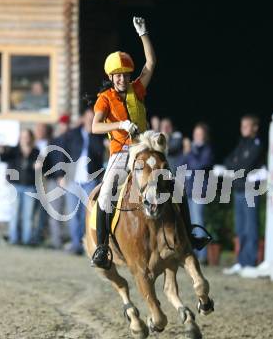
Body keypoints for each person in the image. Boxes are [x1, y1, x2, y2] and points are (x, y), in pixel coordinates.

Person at [90, 17, 211, 270]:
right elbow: (95, 126)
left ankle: (189, 235)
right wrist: (119, 125)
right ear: (111, 77)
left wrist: (143, 34)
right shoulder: (105, 99)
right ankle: (102, 248)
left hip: (145, 149)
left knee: (174, 186)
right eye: (118, 76)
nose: (122, 79)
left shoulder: (137, 89)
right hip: (122, 152)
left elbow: (151, 63)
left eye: (125, 75)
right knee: (106, 196)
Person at [223, 114, 264, 275]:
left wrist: (235, 165)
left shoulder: (257, 144)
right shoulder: (242, 143)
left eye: (247, 126)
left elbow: (245, 165)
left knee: (251, 227)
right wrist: (235, 165)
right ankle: (241, 261)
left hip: (251, 190)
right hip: (239, 189)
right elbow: (228, 160)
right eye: (242, 126)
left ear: (255, 127)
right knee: (240, 228)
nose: (243, 129)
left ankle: (250, 262)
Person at [61, 102, 104, 254]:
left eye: (92, 118)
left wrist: (91, 133)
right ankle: (75, 244)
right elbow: (62, 152)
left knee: (86, 214)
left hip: (90, 181)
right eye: (88, 117)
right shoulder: (72, 134)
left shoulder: (97, 136)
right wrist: (62, 175)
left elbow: (99, 154)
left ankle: (85, 243)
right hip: (73, 180)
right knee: (73, 215)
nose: (89, 120)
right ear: (83, 118)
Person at [0, 129, 39, 245]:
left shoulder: (36, 151)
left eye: (26, 136)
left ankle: (26, 240)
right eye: (22, 136)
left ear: (30, 138)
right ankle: (14, 239)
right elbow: (3, 157)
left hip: (30, 186)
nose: (24, 138)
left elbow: (44, 165)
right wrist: (0, 150)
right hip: (15, 186)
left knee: (28, 216)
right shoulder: (13, 150)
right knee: (14, 214)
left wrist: (39, 166)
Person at [182, 122, 214, 264]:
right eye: (195, 134)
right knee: (191, 223)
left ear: (205, 136)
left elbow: (198, 166)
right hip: (189, 190)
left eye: (200, 134)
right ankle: (193, 253)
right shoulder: (193, 150)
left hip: (200, 191)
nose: (197, 136)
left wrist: (189, 152)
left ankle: (202, 256)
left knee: (199, 222)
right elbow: (181, 164)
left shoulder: (207, 149)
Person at [42, 114, 71, 249]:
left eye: (66, 124)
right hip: (54, 181)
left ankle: (72, 240)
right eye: (62, 124)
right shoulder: (52, 141)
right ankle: (56, 241)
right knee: (55, 213)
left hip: (70, 181)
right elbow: (47, 161)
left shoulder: (74, 140)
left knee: (71, 213)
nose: (63, 127)